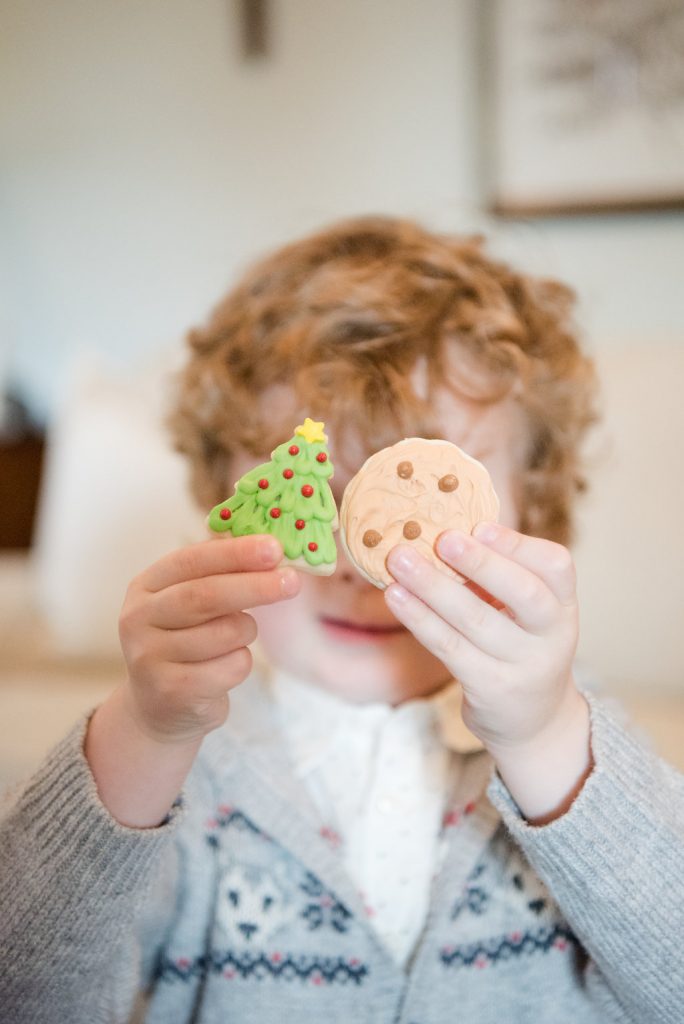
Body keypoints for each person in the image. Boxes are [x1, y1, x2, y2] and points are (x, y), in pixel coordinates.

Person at [2, 217, 683, 1023]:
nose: (366, 570)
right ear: (228, 507)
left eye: (422, 524)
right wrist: (143, 737)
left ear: (536, 519)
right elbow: (28, 994)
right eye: (312, 499)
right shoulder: (189, 763)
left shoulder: (576, 751)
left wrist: (543, 736)